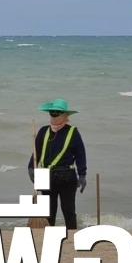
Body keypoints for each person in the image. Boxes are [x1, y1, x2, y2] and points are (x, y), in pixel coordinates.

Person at [26, 98, 87, 229]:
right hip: (44, 175)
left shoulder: (73, 132)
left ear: (65, 116)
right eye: (52, 113)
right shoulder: (43, 131)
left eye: (57, 113)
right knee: (48, 212)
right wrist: (31, 167)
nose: (54, 116)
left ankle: (71, 236)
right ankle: (50, 236)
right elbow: (36, 153)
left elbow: (80, 155)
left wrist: (82, 175)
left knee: (68, 210)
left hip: (66, 175)